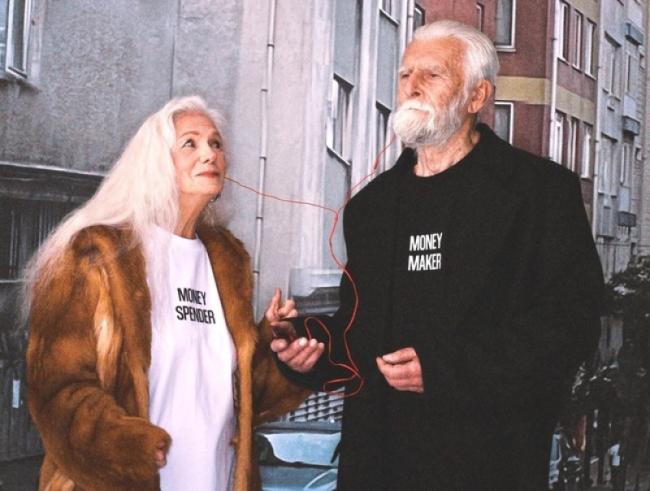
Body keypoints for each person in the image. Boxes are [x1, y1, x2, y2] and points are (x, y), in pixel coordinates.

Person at [271, 20, 604, 490]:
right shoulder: (371, 207)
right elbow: (357, 331)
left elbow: (571, 326)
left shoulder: (540, 194)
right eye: (406, 74)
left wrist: (447, 371)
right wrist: (308, 346)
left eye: (432, 74)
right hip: (378, 468)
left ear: (476, 96)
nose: (412, 87)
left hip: (487, 468)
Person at [25, 96, 309, 490]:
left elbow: (234, 401)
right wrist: (127, 447)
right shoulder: (97, 256)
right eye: (190, 143)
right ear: (155, 163)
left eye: (216, 143)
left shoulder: (227, 262)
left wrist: (282, 358)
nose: (209, 154)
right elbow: (57, 388)